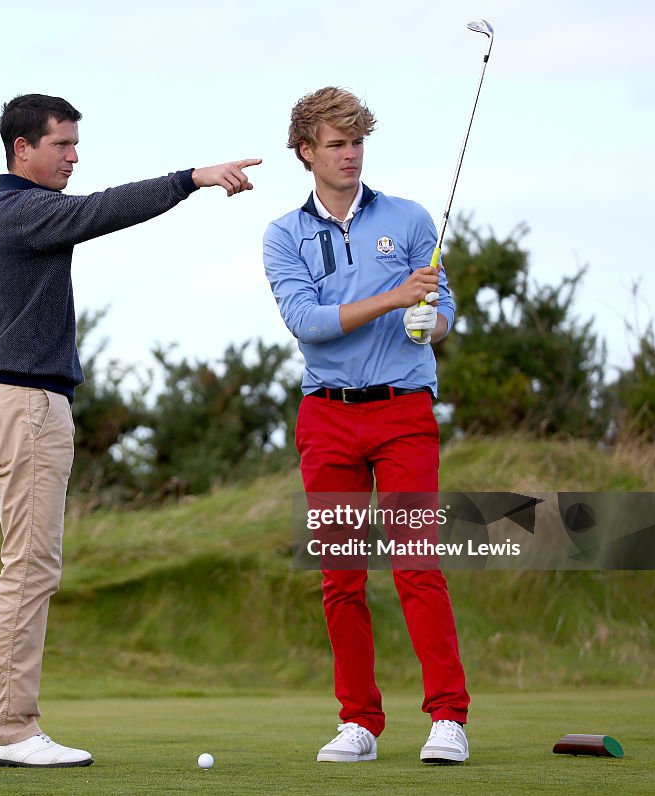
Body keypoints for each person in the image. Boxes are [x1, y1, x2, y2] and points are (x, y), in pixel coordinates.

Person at [0, 93, 261, 768]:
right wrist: (191, 179)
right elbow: (102, 211)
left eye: (75, 144)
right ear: (23, 150)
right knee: (32, 569)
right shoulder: (27, 212)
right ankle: (10, 727)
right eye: (62, 145)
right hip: (28, 406)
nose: (73, 156)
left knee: (21, 569)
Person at [262, 86, 470, 765]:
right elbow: (308, 324)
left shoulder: (409, 220)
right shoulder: (284, 236)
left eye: (356, 143)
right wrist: (393, 298)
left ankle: (447, 718)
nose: (349, 155)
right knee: (341, 576)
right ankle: (360, 722)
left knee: (417, 563)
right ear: (307, 153)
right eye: (335, 144)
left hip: (404, 411)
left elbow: (442, 314)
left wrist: (429, 320)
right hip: (327, 417)